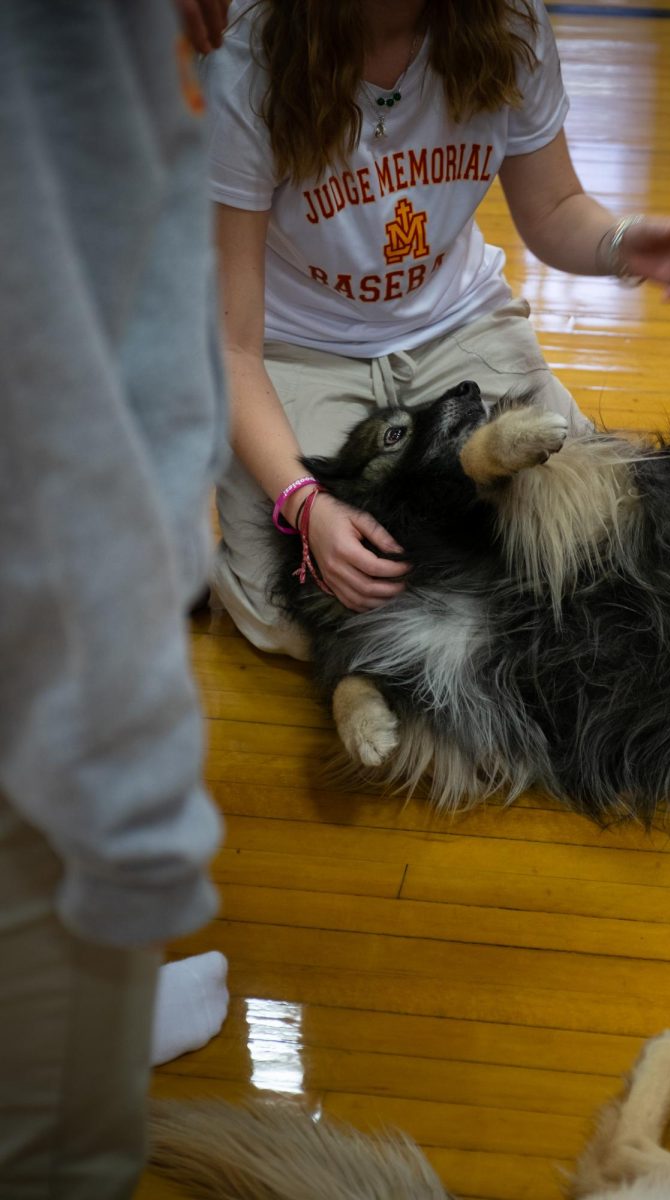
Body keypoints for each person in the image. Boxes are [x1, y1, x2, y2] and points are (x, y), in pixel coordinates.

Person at [200, 0, 670, 655]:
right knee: (309, 616)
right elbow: (230, 345)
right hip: (296, 352)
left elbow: (555, 207)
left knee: (596, 531)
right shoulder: (250, 51)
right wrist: (307, 504)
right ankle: (218, 559)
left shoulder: (509, 19)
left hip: (458, 326)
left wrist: (621, 242)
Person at [0, 1, 231, 1196]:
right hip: (47, 706)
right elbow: (49, 444)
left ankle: (108, 996)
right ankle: (98, 993)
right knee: (64, 1160)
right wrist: (138, 828)